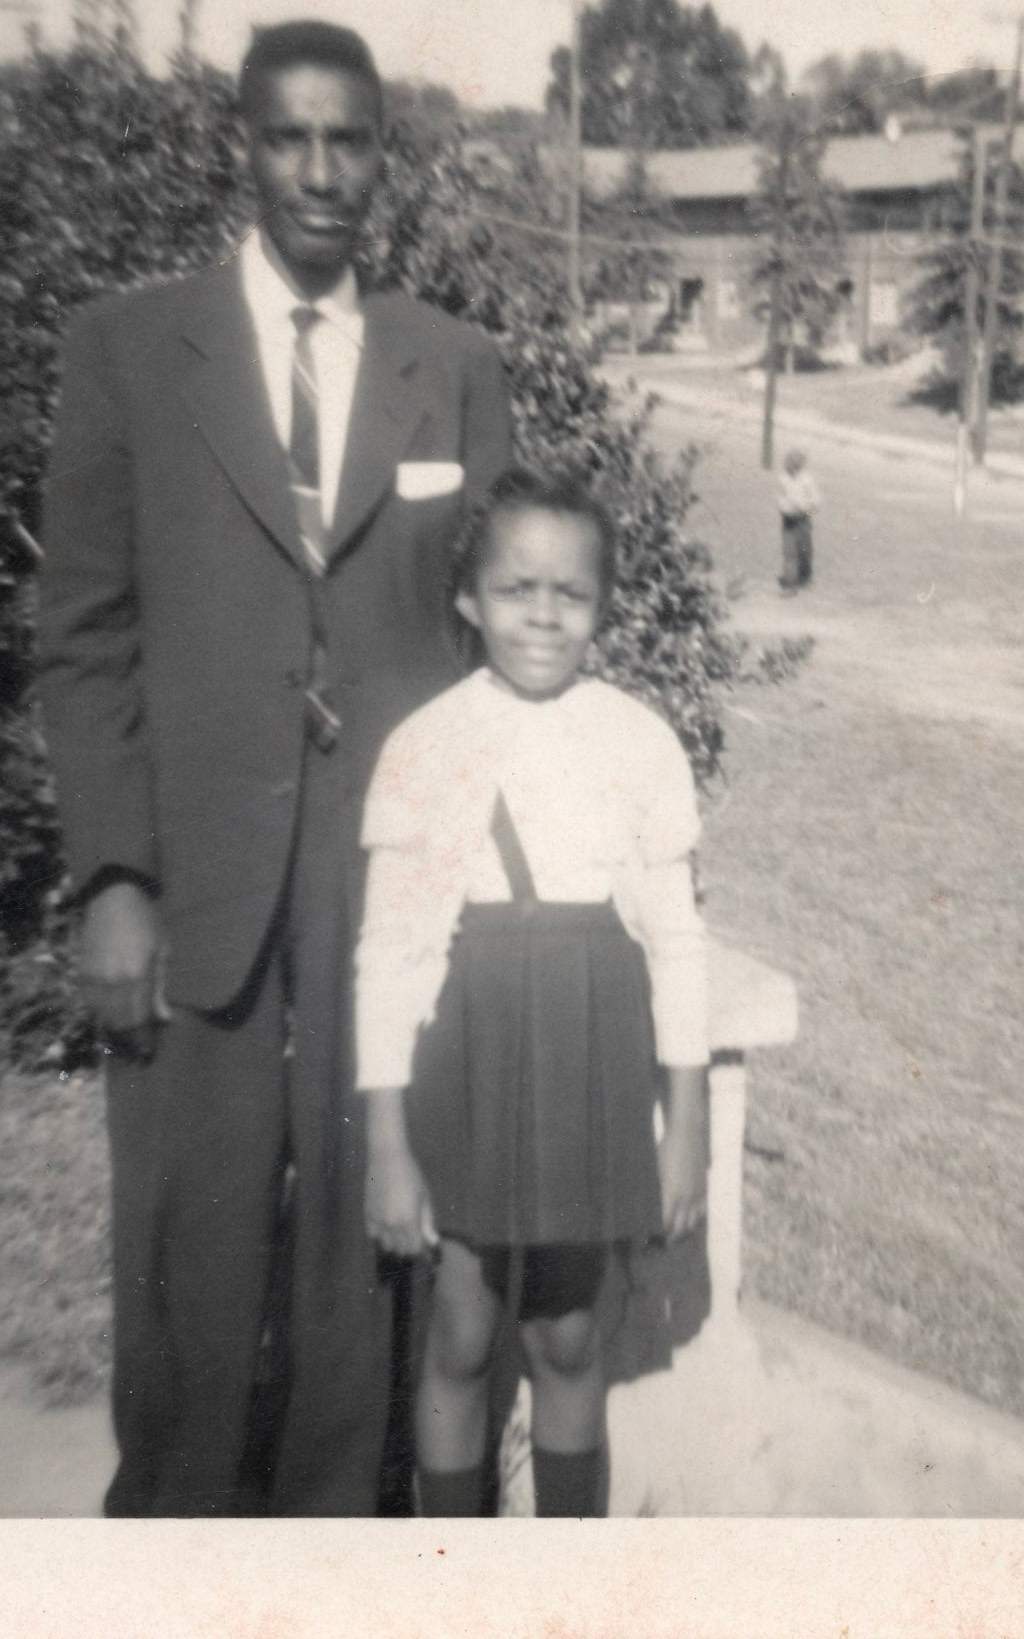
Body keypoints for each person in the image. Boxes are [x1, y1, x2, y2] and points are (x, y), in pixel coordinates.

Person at [35, 19, 514, 1517]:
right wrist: (113, 872)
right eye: (289, 137)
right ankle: (170, 1535)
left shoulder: (455, 365)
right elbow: (84, 632)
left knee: (362, 1233)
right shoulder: (126, 348)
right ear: (240, 148)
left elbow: (500, 640)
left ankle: (323, 1540)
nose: (321, 171)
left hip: (385, 876)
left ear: (386, 155)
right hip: (197, 868)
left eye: (350, 139)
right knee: (188, 1217)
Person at [356, 469, 711, 1518]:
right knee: (461, 1328)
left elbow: (677, 943)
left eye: (572, 592)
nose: (545, 614)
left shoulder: (638, 741)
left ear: (603, 604)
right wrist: (387, 1143)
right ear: (468, 597)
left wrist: (682, 1122)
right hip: (469, 1054)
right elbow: (392, 952)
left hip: (586, 1054)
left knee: (565, 1330)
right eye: (517, 588)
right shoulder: (424, 746)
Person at [777, 446, 821, 594]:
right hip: (788, 519)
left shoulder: (807, 480)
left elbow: (816, 502)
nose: (791, 467)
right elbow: (781, 497)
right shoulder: (783, 478)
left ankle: (805, 577)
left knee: (804, 550)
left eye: (795, 465)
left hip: (803, 519)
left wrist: (805, 511)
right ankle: (790, 584)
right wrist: (783, 508)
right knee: (789, 551)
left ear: (800, 465)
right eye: (789, 464)